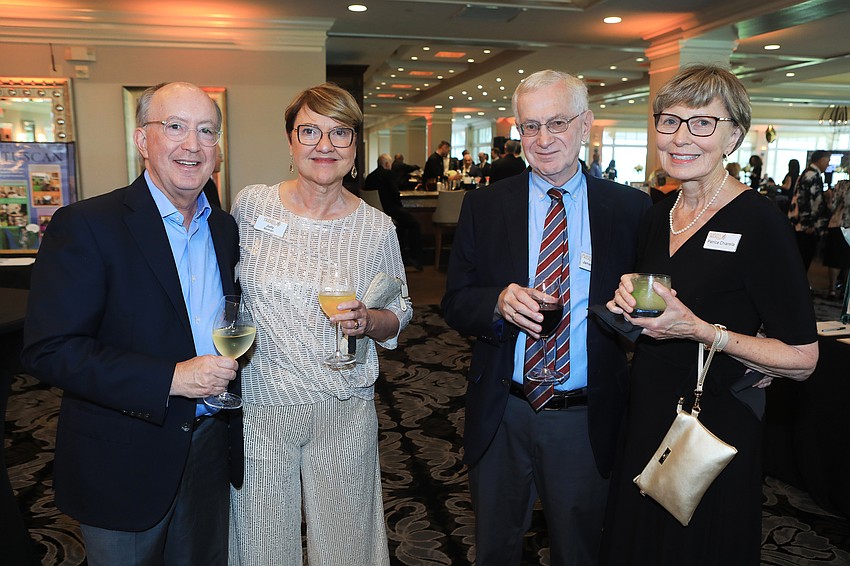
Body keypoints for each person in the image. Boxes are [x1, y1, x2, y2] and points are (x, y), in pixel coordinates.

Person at [602, 64, 818, 565]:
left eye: (703, 123)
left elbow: (804, 359)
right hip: (650, 410)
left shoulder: (760, 222)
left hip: (711, 424)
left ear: (734, 136)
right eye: (670, 120)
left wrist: (704, 332)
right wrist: (628, 305)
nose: (682, 137)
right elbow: (667, 303)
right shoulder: (659, 213)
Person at [21, 82, 241, 564]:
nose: (193, 144)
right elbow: (49, 349)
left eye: (207, 131)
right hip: (123, 458)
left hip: (209, 451)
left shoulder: (225, 229)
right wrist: (171, 379)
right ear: (143, 141)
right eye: (175, 127)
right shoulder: (87, 224)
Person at [442, 69, 650, 565]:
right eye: (530, 126)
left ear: (586, 125)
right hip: (503, 411)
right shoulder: (485, 205)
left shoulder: (630, 210)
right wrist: (496, 302)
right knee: (495, 548)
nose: (543, 139)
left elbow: (651, 304)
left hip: (584, 415)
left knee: (581, 548)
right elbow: (454, 302)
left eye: (556, 122)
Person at [228, 82, 412, 565]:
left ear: (355, 146)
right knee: (262, 542)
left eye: (339, 133)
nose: (324, 145)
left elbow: (402, 312)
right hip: (262, 405)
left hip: (343, 406)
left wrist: (370, 319)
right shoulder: (252, 206)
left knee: (348, 544)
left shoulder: (376, 228)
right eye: (309, 131)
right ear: (290, 141)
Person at [365, 153, 424, 270]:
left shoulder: (370, 177)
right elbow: (394, 194)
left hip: (373, 215)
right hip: (389, 210)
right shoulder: (388, 175)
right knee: (414, 224)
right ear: (387, 164)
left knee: (400, 225)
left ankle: (400, 255)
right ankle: (414, 257)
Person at [788, 150, 832, 273]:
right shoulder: (811, 175)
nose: (828, 165)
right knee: (803, 257)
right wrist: (807, 223)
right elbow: (804, 200)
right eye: (827, 162)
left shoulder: (811, 174)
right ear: (821, 160)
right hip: (804, 225)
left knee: (804, 257)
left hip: (804, 224)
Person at [823, 178, 850, 299]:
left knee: (836, 259)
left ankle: (832, 289)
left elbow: (833, 205)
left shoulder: (842, 185)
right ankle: (845, 290)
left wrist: (828, 197)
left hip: (839, 223)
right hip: (845, 224)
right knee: (847, 260)